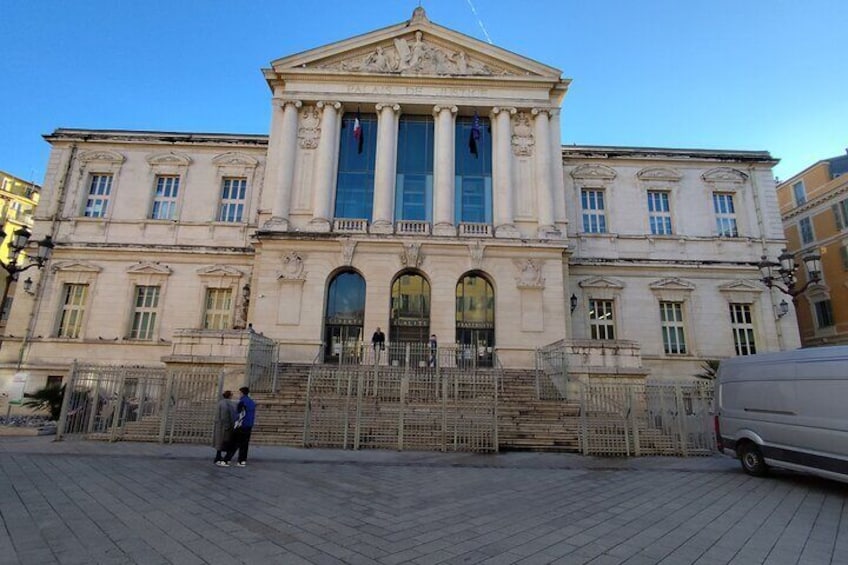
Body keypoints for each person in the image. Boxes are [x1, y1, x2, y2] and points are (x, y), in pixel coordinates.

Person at [223, 386, 256, 467]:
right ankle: (242, 461)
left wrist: (235, 425)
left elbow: (239, 415)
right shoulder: (252, 402)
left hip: (241, 426)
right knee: (245, 444)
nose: (239, 394)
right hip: (249, 425)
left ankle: (226, 460)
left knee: (234, 443)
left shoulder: (242, 402)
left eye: (239, 393)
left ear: (242, 393)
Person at [213, 391, 237, 466]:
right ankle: (220, 459)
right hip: (224, 427)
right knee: (224, 442)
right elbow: (225, 416)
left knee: (220, 443)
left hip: (220, 426)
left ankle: (218, 457)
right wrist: (227, 426)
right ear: (229, 396)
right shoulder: (227, 404)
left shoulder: (221, 402)